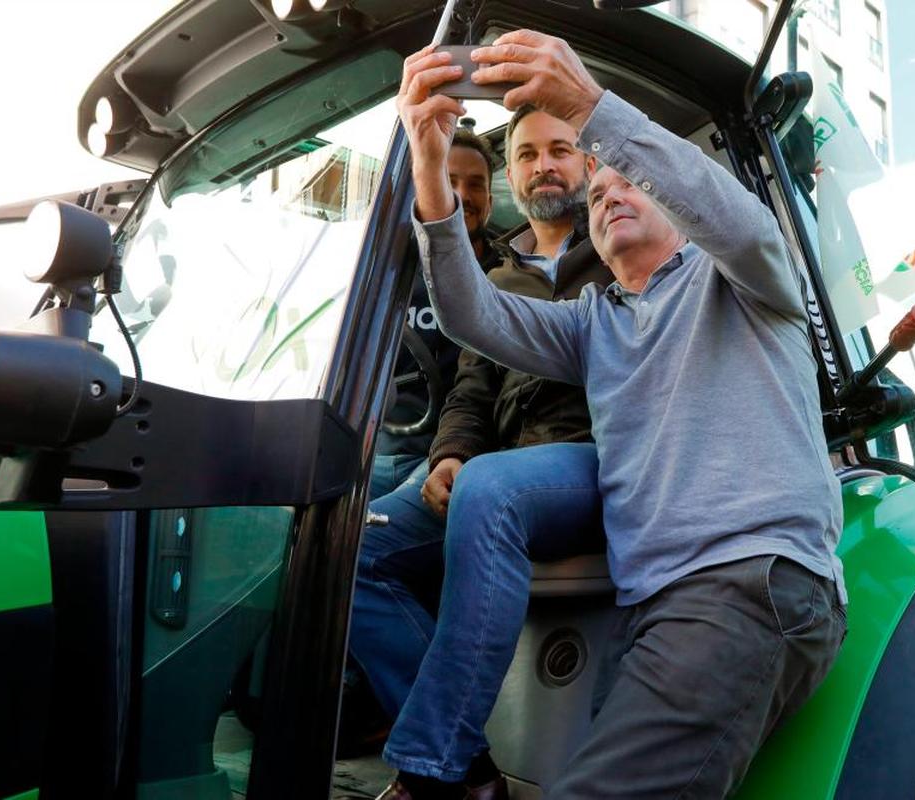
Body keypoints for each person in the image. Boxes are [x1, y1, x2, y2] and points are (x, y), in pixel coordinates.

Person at [397, 29, 848, 798]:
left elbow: (732, 220)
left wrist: (592, 108)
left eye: (626, 184)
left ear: (675, 204)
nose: (607, 194)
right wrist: (430, 172)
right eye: (597, 195)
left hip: (744, 583)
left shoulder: (742, 278)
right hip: (649, 607)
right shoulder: (595, 322)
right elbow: (474, 316)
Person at [348, 108, 613, 800]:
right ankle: (467, 766)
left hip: (596, 461)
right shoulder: (492, 277)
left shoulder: (618, 246)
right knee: (350, 544)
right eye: (527, 155)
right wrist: (449, 456)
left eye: (561, 150)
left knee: (492, 490)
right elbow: (469, 389)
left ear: (588, 164)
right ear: (514, 176)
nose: (544, 165)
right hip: (503, 463)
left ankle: (432, 766)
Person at [370, 126, 501, 499]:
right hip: (378, 451)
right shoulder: (387, 272)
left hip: (453, 459)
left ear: (490, 199)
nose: (462, 195)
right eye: (449, 180)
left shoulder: (507, 278)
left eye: (476, 184)